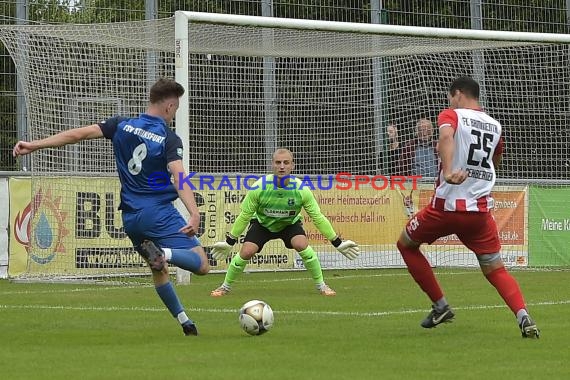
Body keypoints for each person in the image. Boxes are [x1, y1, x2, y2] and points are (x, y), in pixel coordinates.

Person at [13, 78, 210, 337]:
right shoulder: (169, 138)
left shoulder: (121, 125)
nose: (174, 113)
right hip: (157, 212)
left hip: (130, 217)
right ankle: (165, 252)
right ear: (169, 106)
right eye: (176, 108)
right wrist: (194, 212)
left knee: (158, 269)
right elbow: (178, 176)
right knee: (202, 263)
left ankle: (185, 322)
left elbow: (77, 135)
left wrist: (35, 144)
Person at [396, 76, 539, 338]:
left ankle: (440, 305)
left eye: (451, 97)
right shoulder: (495, 125)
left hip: (446, 208)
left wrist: (449, 170)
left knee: (405, 244)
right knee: (495, 268)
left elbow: (447, 135)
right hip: (479, 214)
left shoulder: (452, 114)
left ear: (458, 94)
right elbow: (496, 158)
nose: (449, 101)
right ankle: (524, 316)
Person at [209, 148, 360, 297]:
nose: (282, 166)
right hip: (262, 224)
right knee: (247, 251)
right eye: (278, 162)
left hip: (289, 224)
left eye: (286, 162)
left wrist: (337, 243)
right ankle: (225, 287)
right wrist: (229, 242)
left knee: (302, 245)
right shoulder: (259, 187)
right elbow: (244, 216)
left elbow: (318, 217)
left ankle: (322, 286)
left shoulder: (301, 189)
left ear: (292, 165)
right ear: (272, 165)